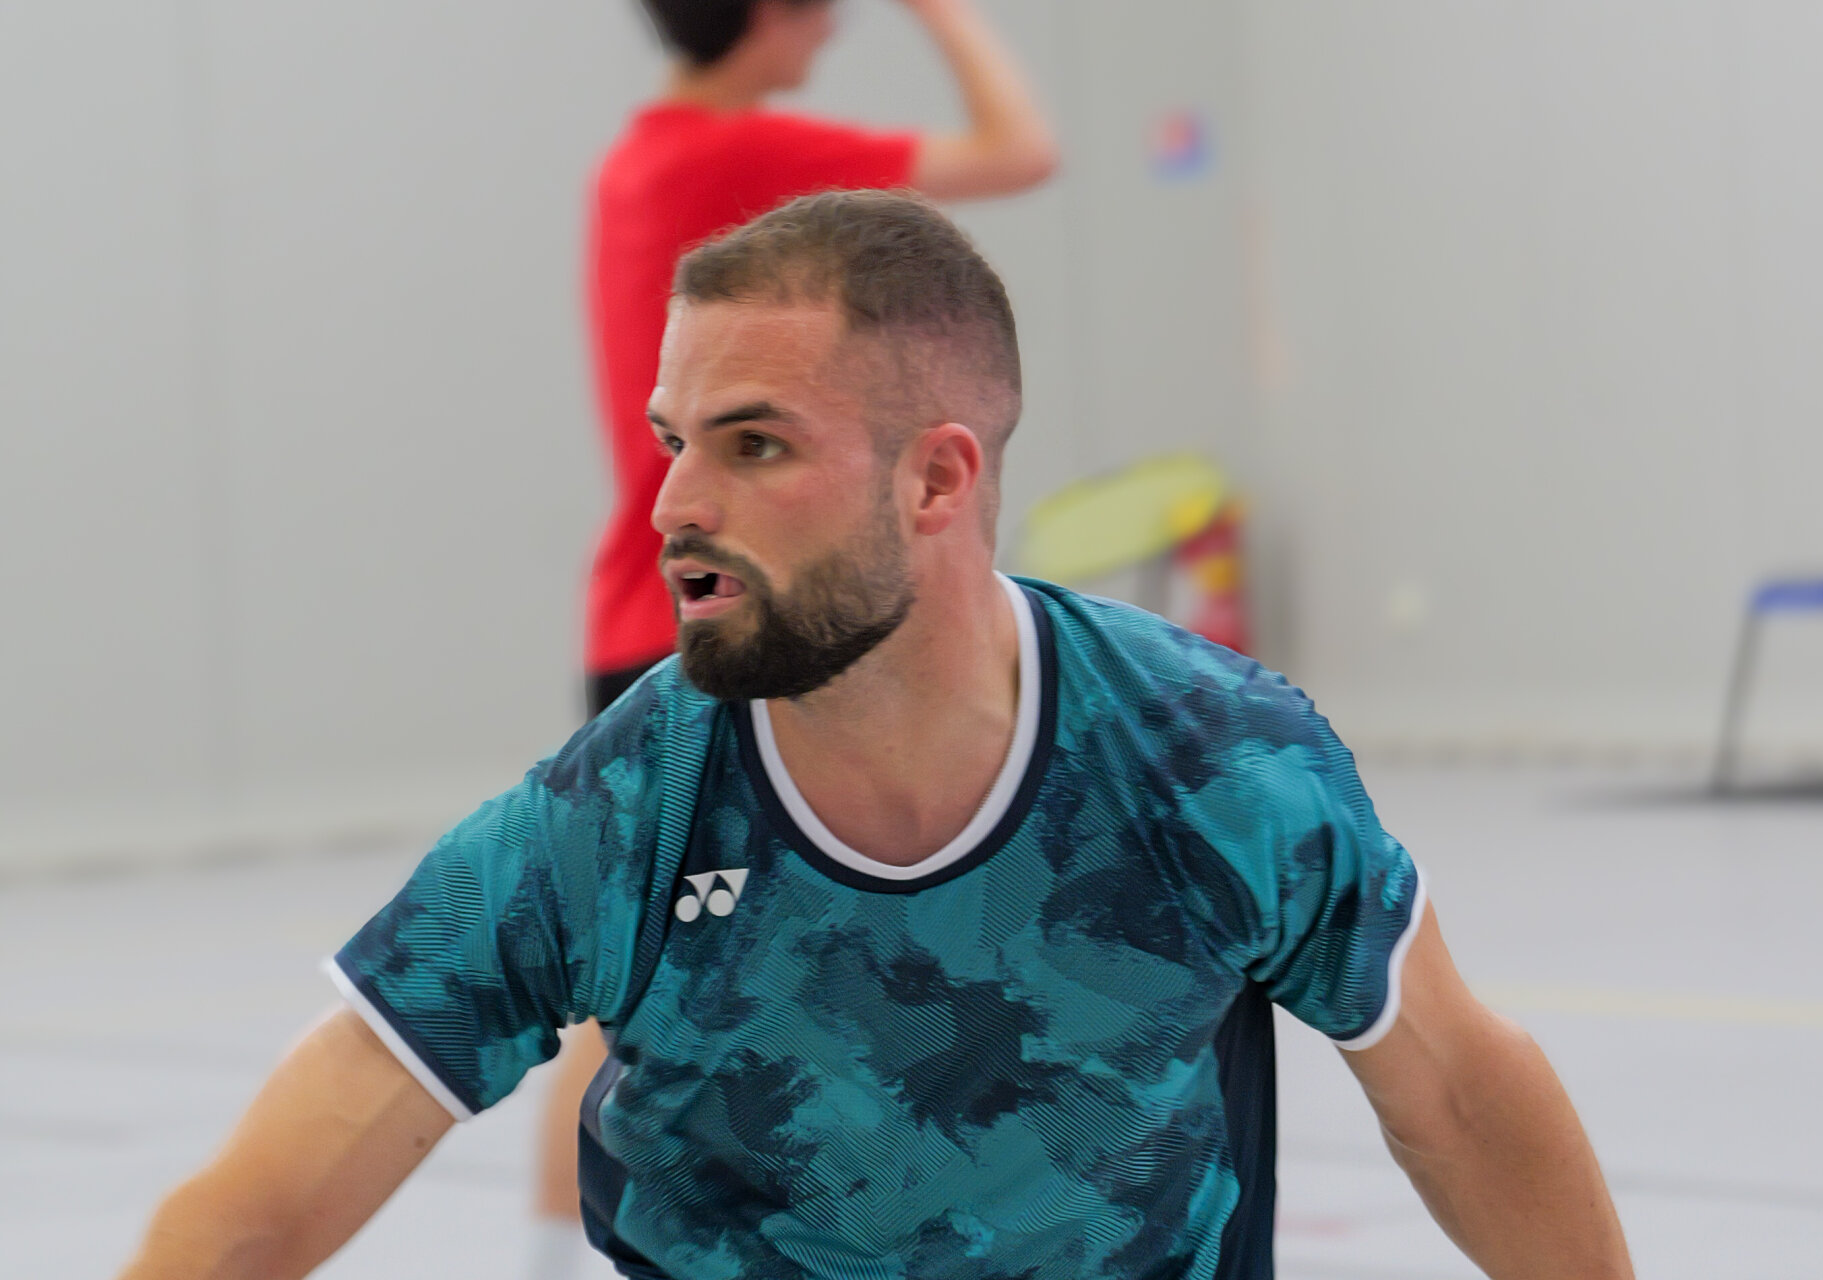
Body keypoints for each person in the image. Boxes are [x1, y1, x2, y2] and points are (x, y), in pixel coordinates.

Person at [119, 191, 1633, 1280]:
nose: (674, 505)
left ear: (936, 480)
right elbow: (275, 1192)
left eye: (754, 444)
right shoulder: (620, 810)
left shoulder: (1218, 762)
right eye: (673, 442)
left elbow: (1460, 1097)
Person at [559, 1, 1054, 1266]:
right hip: (745, 616)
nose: (833, 27)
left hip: (647, 609)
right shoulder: (737, 157)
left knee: (619, 991)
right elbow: (1020, 149)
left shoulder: (639, 159)